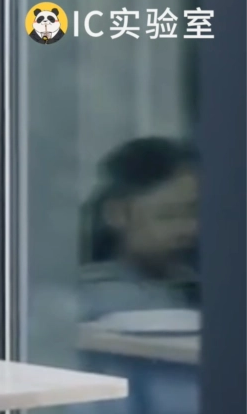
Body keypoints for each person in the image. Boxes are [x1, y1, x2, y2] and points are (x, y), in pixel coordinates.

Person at [78, 137, 200, 322]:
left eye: (194, 214)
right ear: (117, 214)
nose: (188, 229)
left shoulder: (193, 285)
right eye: (168, 215)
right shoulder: (92, 298)